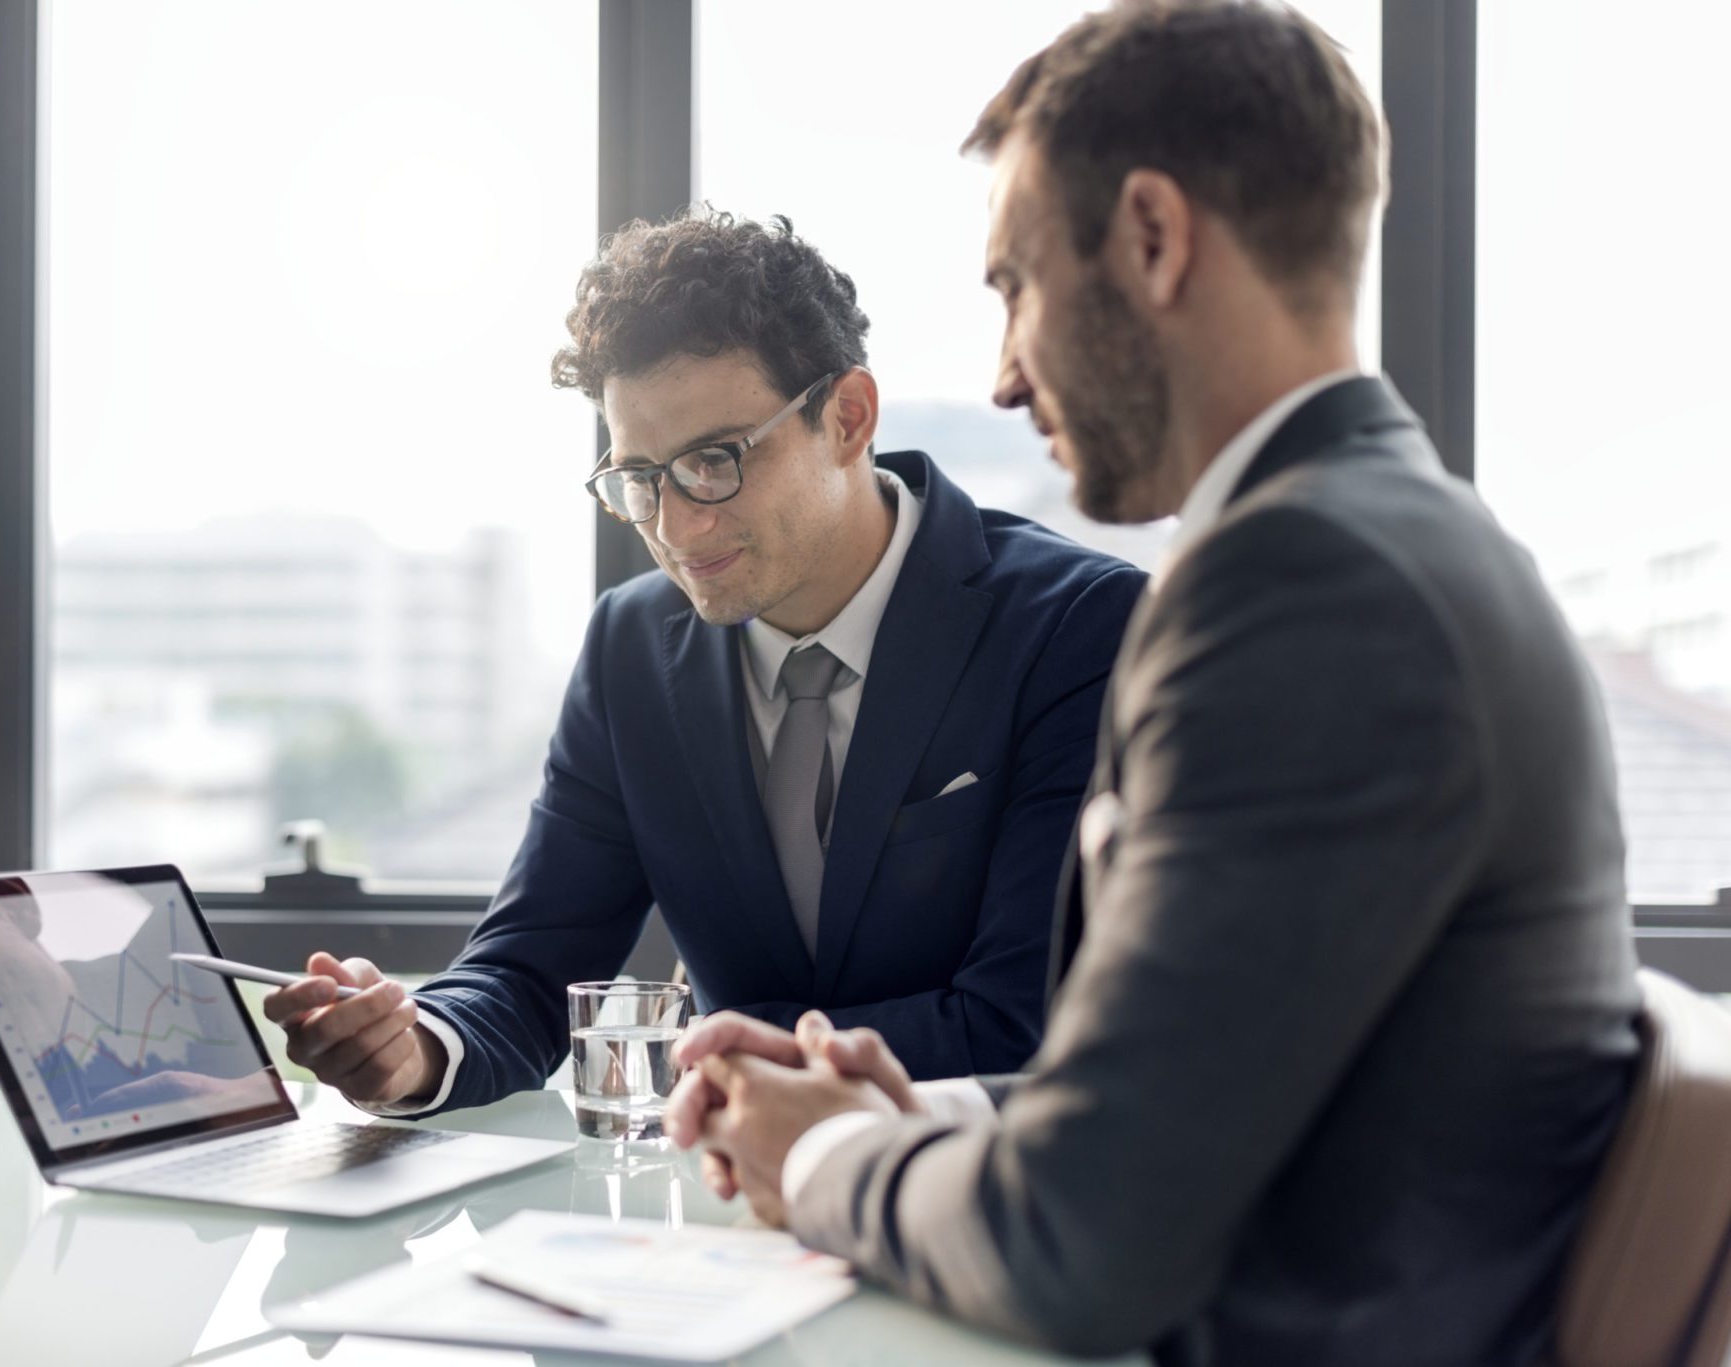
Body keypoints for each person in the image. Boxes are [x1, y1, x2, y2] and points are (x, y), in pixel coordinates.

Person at [666, 5, 1642, 1364]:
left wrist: (822, 1156)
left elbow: (1086, 1244)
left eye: (1014, 285)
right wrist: (931, 1117)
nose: (1004, 376)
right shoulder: (1393, 539)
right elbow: (1213, 1088)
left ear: (1152, 236)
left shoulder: (1307, 590)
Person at [262, 210, 1146, 1117]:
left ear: (847, 417)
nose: (679, 527)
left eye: (715, 461)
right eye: (640, 478)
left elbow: (1024, 1025)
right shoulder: (630, 648)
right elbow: (530, 965)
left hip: (974, 1202)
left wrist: (710, 1052)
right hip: (719, 1208)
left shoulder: (1078, 629)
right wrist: (414, 1046)